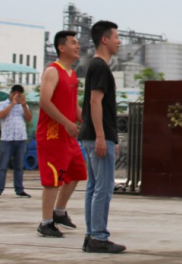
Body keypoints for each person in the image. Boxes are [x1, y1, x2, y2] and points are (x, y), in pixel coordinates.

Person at [79, 20, 125, 253]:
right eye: (116, 37)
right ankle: (98, 236)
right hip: (97, 136)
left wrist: (109, 138)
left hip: (95, 135)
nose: (119, 41)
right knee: (103, 188)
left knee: (94, 187)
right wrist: (101, 136)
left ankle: (92, 235)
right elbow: (95, 102)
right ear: (105, 39)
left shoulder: (96, 66)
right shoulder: (100, 67)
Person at [36, 30, 88, 237]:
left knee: (77, 173)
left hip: (68, 135)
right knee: (53, 179)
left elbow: (73, 106)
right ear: (61, 47)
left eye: (78, 43)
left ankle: (58, 212)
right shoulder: (52, 71)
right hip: (52, 134)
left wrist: (90, 123)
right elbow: (44, 102)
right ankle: (45, 223)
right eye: (73, 43)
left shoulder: (72, 74)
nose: (78, 46)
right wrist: (66, 123)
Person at [0, 84, 32, 198]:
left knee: (19, 166)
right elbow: (1, 115)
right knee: (3, 165)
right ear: (11, 94)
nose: (17, 97)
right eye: (15, 94)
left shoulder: (24, 105)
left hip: (21, 138)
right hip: (7, 138)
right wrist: (12, 104)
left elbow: (29, 119)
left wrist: (24, 105)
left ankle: (19, 189)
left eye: (19, 95)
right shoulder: (2, 104)